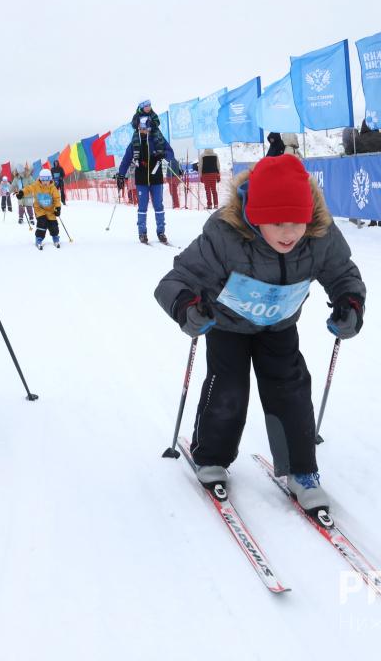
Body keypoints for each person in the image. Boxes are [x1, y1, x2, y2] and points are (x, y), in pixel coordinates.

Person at [153, 155, 365, 512]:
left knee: (291, 389)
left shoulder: (319, 234)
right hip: (227, 324)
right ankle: (211, 456)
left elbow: (342, 273)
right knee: (228, 389)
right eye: (277, 223)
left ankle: (302, 470)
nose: (289, 233)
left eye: (297, 222)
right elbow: (175, 281)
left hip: (280, 324)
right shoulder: (224, 234)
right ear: (254, 214)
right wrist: (187, 307)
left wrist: (350, 303)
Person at [116, 100, 178, 244]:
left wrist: (164, 156)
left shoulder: (157, 137)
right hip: (141, 177)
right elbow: (126, 159)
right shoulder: (135, 141)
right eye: (141, 126)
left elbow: (170, 152)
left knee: (158, 205)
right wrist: (121, 175)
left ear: (149, 126)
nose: (144, 129)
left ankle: (161, 232)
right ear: (138, 126)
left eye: (146, 126)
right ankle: (142, 233)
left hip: (156, 176)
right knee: (142, 206)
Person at [354, 121, 381, 227]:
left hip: (364, 173)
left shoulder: (357, 140)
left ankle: (372, 219)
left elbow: (349, 153)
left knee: (369, 195)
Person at [14, 167, 62, 249]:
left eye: (47, 180)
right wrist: (22, 192)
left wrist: (58, 208)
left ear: (50, 179)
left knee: (53, 225)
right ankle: (39, 239)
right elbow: (28, 189)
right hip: (39, 209)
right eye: (43, 180)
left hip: (50, 210)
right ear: (40, 179)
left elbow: (57, 198)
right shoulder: (36, 185)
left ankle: (55, 238)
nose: (45, 182)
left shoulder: (53, 188)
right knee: (42, 223)